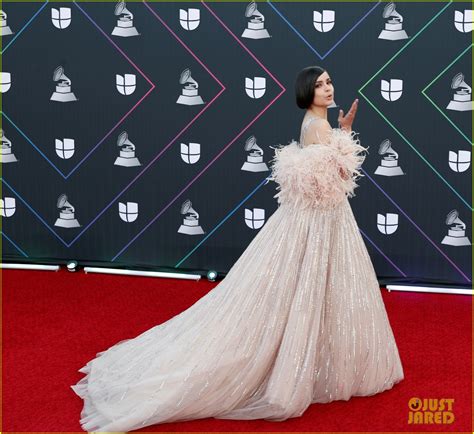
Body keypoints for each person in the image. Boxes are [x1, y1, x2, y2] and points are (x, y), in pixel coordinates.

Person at [71, 65, 404, 432]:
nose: (328, 87)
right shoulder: (319, 126)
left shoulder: (314, 125)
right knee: (312, 290)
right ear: (306, 92)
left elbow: (327, 177)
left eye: (329, 81)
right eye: (320, 84)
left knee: (306, 292)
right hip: (322, 223)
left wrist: (343, 133)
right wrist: (344, 134)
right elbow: (335, 180)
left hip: (320, 221)